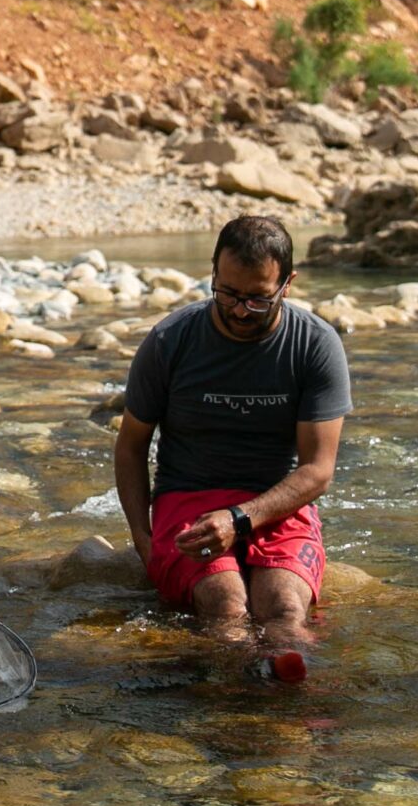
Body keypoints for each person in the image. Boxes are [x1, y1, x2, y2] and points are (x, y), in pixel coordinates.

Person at [114, 215, 348, 672]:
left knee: (283, 610)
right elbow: (130, 446)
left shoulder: (315, 344)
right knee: (225, 609)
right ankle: (228, 718)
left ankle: (296, 717)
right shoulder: (169, 341)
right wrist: (144, 542)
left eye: (258, 299)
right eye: (228, 293)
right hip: (188, 496)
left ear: (288, 284)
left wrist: (241, 519)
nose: (240, 309)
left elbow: (318, 471)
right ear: (214, 274)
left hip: (276, 500)